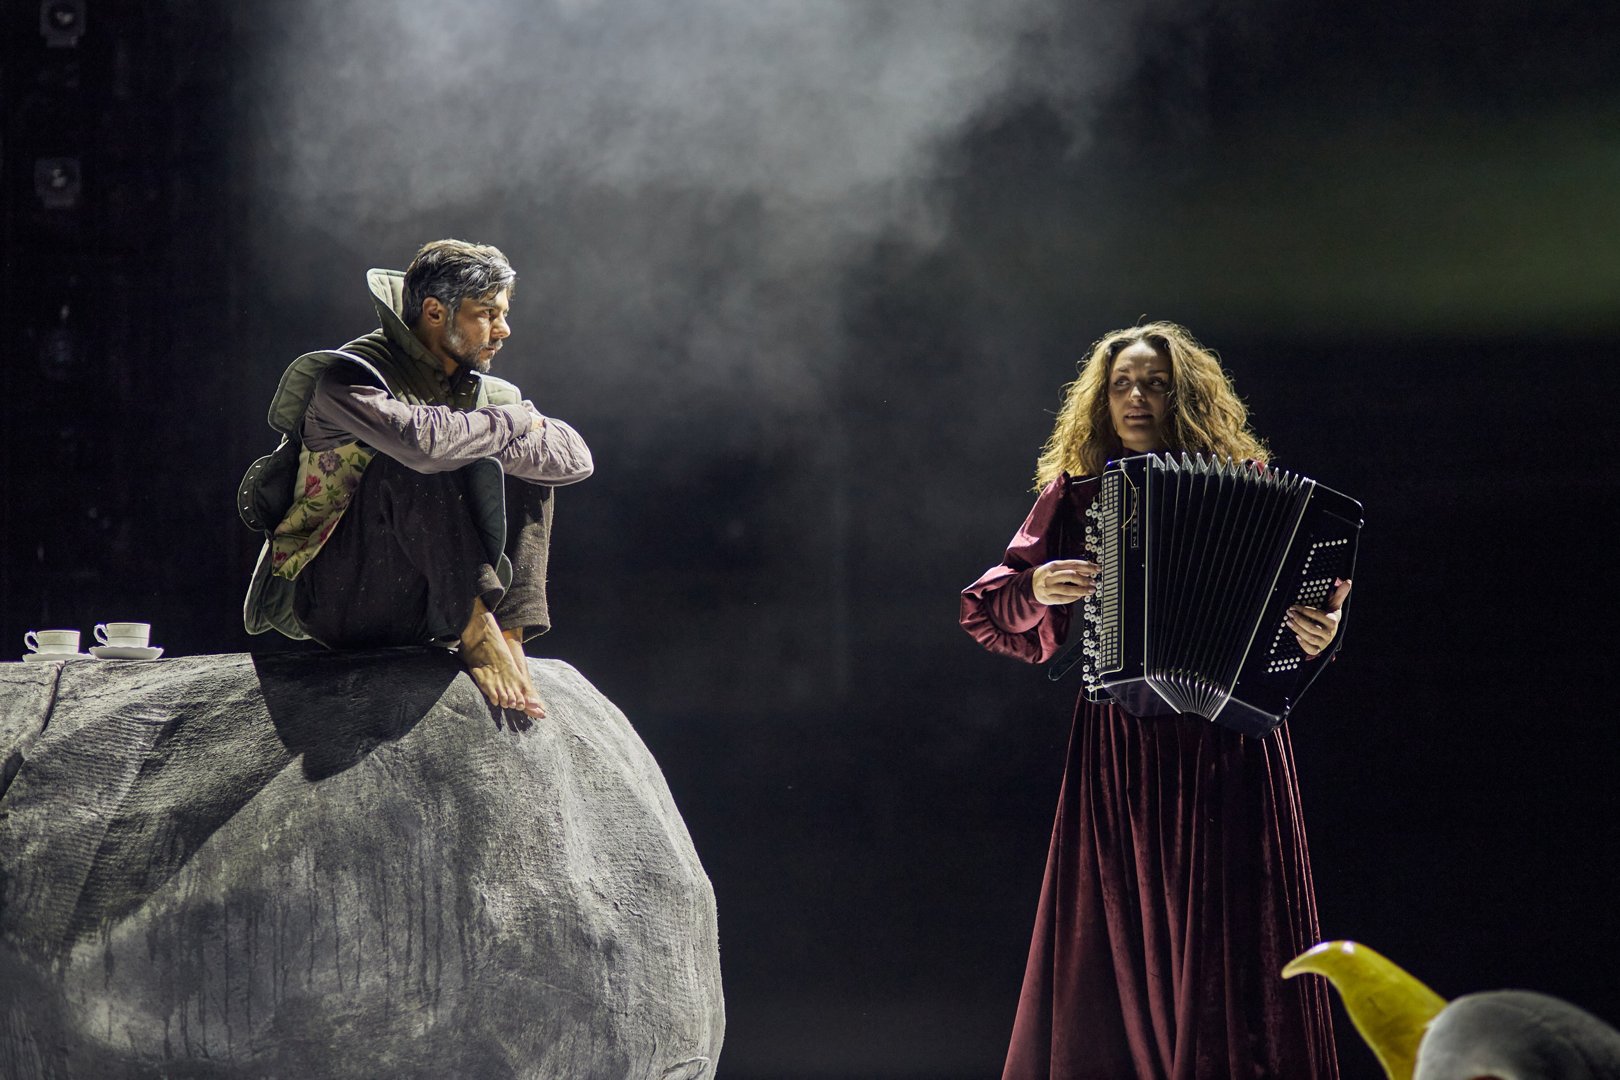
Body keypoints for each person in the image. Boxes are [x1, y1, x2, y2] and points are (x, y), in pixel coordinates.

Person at [960, 321, 1349, 1080]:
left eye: (1156, 385)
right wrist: (1037, 585)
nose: (1136, 397)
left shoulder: (1252, 481)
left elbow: (1314, 615)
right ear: (1101, 401)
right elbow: (986, 611)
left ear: (1184, 397)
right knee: (1117, 934)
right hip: (1122, 744)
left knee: (1233, 928)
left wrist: (1322, 632)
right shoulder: (1076, 497)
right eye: (1122, 385)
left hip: (1231, 743)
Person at [240, 240, 593, 723]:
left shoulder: (485, 392)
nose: (503, 329)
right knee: (408, 458)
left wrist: (478, 436)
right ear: (434, 312)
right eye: (487, 313)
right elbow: (421, 445)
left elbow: (575, 458)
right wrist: (512, 421)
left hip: (425, 600)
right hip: (344, 595)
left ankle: (509, 632)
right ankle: (477, 632)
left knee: (526, 469)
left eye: (504, 314)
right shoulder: (347, 379)